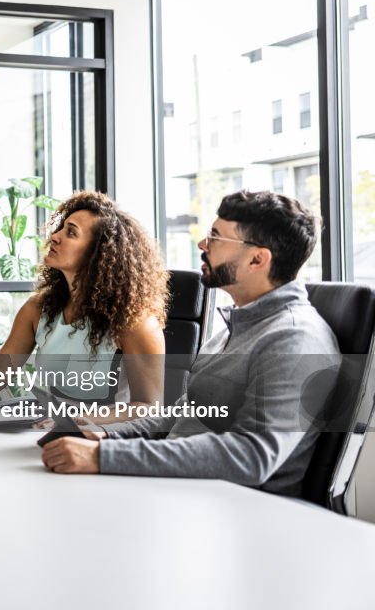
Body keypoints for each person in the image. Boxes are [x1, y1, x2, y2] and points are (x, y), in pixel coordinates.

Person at [41, 190, 341, 498]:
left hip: (237, 508)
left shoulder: (294, 338)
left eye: (216, 237)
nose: (202, 245)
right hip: (185, 490)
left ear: (257, 259)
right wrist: (104, 434)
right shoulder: (236, 326)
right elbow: (181, 415)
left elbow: (252, 456)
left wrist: (102, 458)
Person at [0, 191, 169, 419]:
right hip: (42, 434)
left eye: (70, 233)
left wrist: (76, 421)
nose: (55, 236)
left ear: (99, 252)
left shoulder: (135, 322)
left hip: (102, 444)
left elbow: (149, 407)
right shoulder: (39, 308)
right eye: (61, 227)